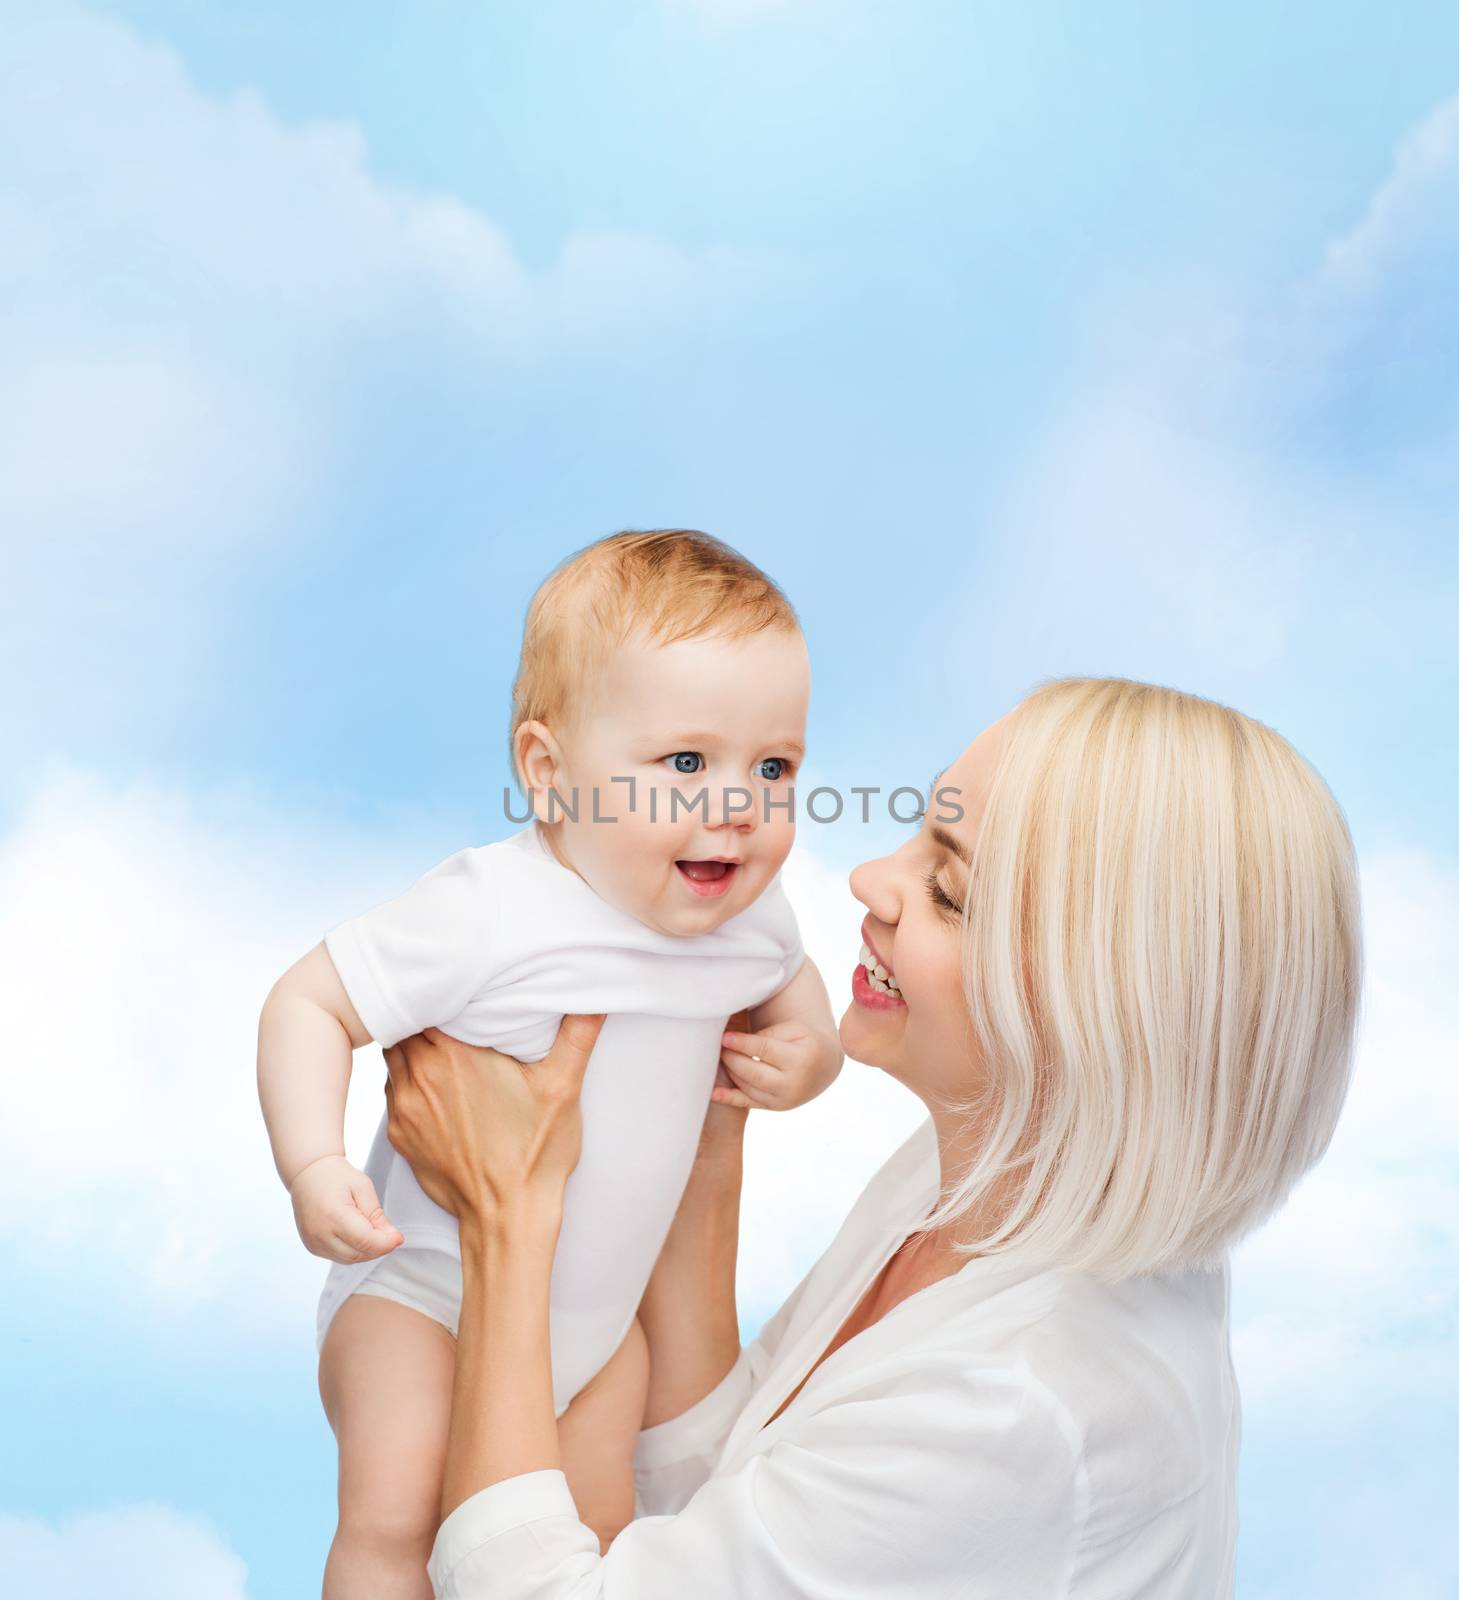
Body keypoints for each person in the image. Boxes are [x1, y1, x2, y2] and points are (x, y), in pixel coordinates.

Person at [382, 675, 1362, 1598]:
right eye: (919, 832)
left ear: (1102, 1015)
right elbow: (742, 1494)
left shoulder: (1024, 1406)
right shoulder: (1001, 1168)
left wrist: (507, 1215)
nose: (868, 881)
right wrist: (707, 1151)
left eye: (948, 891)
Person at [254, 529, 843, 1597]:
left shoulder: (750, 923)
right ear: (549, 772)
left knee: (592, 1541)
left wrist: (807, 1061)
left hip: (598, 1327)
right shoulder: (492, 910)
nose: (738, 802)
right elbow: (308, 1000)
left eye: (774, 765)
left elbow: (799, 1009)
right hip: (425, 1294)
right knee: (397, 1518)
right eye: (684, 763)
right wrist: (310, 1165)